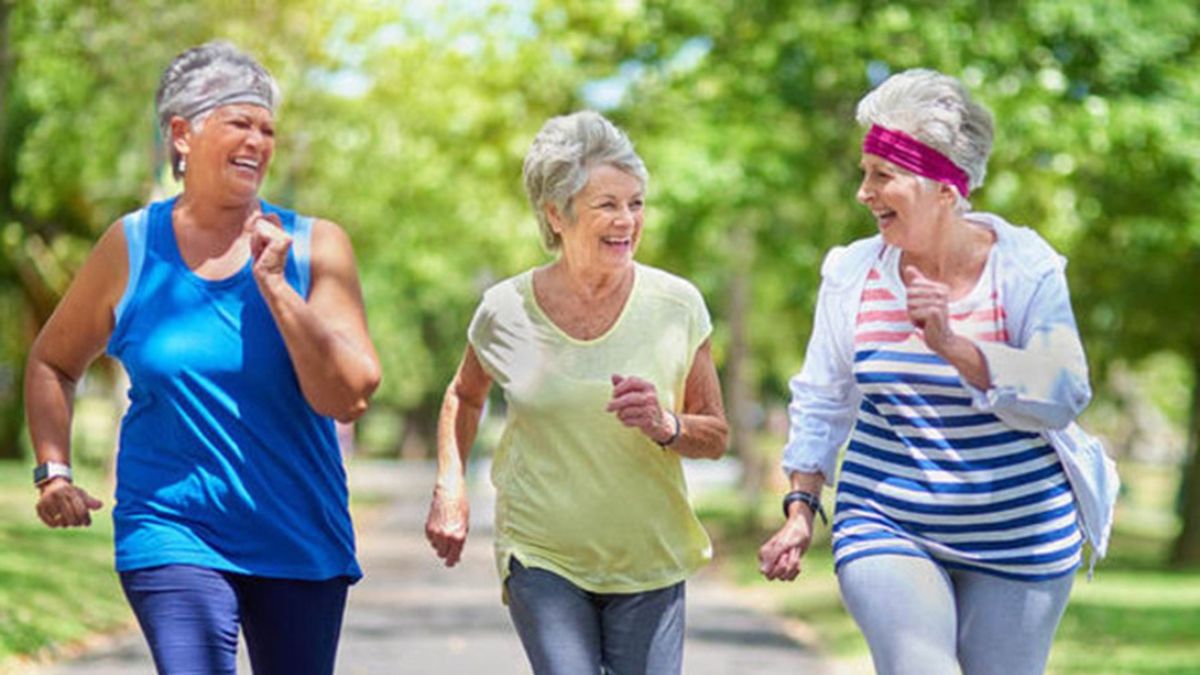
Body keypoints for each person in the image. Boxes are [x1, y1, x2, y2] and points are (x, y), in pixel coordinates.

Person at [25, 41, 381, 675]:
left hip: (298, 533)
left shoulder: (314, 246)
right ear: (182, 134)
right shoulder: (132, 246)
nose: (258, 142)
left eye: (267, 129)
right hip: (171, 528)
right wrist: (53, 472)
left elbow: (348, 395)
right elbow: (53, 362)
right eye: (240, 122)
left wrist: (277, 289)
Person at [757, 68, 1118, 675]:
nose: (864, 192)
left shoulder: (1023, 267)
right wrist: (800, 510)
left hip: (1020, 534)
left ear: (945, 189)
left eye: (883, 175)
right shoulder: (853, 273)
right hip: (887, 519)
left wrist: (954, 346)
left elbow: (1064, 392)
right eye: (864, 173)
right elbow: (822, 398)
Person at [424, 110, 728, 675]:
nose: (627, 220)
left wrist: (666, 425)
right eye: (607, 205)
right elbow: (464, 396)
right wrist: (451, 484)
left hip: (648, 557)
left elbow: (714, 434)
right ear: (556, 214)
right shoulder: (508, 312)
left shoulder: (675, 307)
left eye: (636, 203)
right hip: (543, 552)